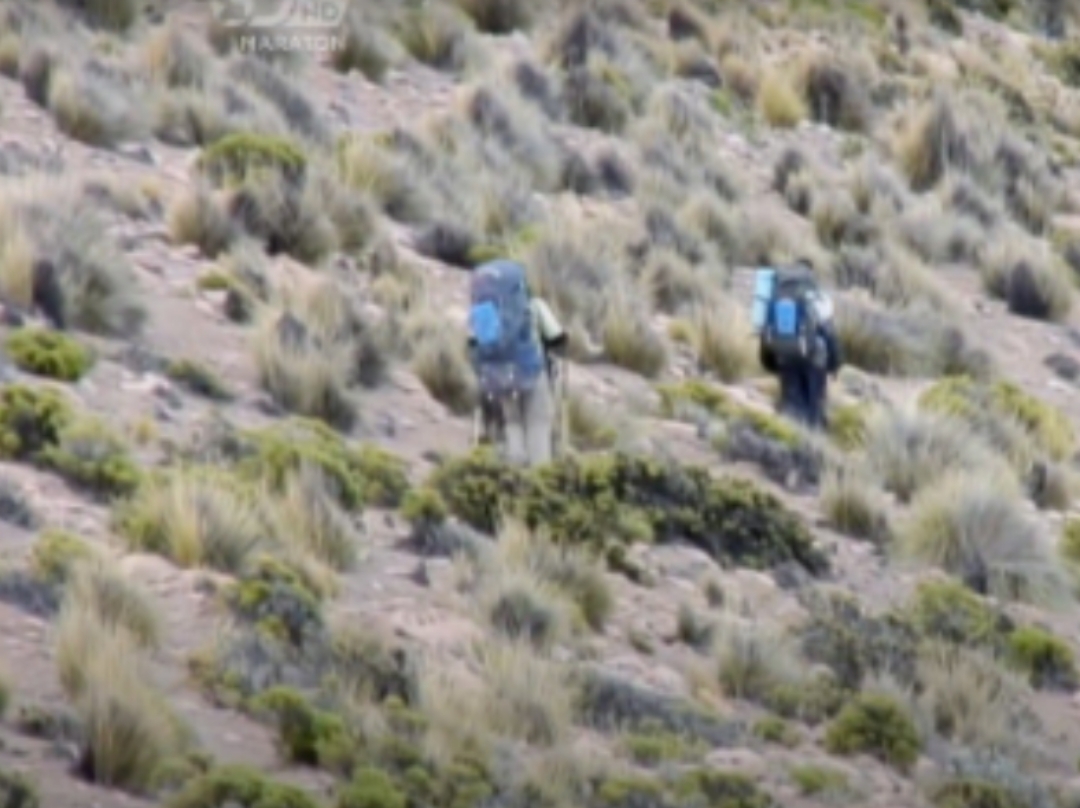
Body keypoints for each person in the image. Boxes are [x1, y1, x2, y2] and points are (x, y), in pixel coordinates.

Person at [467, 259, 567, 467]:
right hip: (531, 371)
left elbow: (474, 343)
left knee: (512, 422)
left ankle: (515, 470)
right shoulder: (534, 306)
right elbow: (558, 338)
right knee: (538, 423)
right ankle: (540, 477)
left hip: (497, 373)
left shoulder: (482, 311)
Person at [758, 259, 841, 430]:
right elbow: (829, 332)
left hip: (784, 356)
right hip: (815, 358)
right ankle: (815, 443)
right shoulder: (816, 294)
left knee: (792, 404)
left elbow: (765, 332)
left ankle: (790, 439)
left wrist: (771, 362)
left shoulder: (777, 292)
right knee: (814, 405)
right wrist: (835, 363)